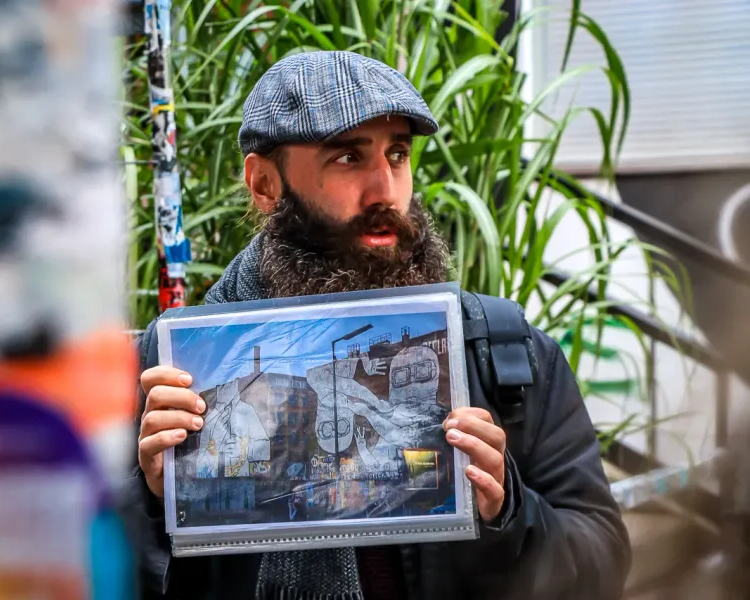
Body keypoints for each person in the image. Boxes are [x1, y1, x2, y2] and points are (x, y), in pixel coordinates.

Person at [117, 50, 631, 600]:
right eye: (348, 159)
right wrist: (151, 501)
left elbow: (601, 564)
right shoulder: (174, 374)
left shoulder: (503, 351)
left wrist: (507, 508)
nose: (386, 191)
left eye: (398, 154)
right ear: (265, 183)